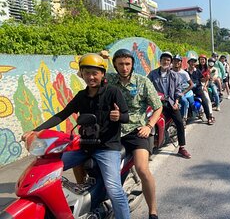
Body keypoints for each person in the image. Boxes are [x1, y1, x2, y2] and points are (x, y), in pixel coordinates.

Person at [22, 53, 131, 219]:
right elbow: (62, 114)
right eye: (87, 73)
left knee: (114, 190)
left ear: (102, 74)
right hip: (84, 145)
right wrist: (35, 131)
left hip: (107, 148)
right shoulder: (81, 95)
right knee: (48, 170)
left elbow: (126, 116)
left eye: (95, 73)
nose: (91, 77)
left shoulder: (113, 92)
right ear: (82, 74)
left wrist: (118, 116)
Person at [108, 48, 162, 219]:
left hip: (136, 131)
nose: (124, 67)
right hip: (114, 131)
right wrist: (101, 58)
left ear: (132, 65)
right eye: (121, 64)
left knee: (142, 169)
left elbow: (158, 106)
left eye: (127, 64)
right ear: (115, 66)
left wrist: (149, 125)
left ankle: (152, 211)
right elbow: (84, 73)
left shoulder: (142, 82)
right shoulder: (109, 80)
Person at [148, 51, 192, 159]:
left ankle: (182, 148)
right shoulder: (152, 74)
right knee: (148, 121)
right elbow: (147, 86)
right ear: (160, 61)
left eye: (168, 60)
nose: (166, 62)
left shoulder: (175, 75)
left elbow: (178, 90)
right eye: (164, 59)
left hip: (170, 103)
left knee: (180, 123)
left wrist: (176, 102)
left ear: (170, 63)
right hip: (156, 103)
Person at [186, 56, 215, 125]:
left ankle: (209, 117)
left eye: (194, 61)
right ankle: (185, 117)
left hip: (198, 89)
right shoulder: (185, 71)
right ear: (188, 62)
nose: (192, 63)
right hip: (188, 89)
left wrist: (206, 79)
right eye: (191, 61)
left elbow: (202, 79)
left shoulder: (197, 71)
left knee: (204, 100)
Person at [171, 54, 195, 127]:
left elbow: (191, 85)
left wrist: (183, 93)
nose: (176, 62)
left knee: (186, 102)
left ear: (181, 62)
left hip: (184, 91)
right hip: (173, 92)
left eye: (178, 61)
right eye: (174, 61)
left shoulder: (184, 73)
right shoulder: (169, 72)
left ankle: (183, 119)